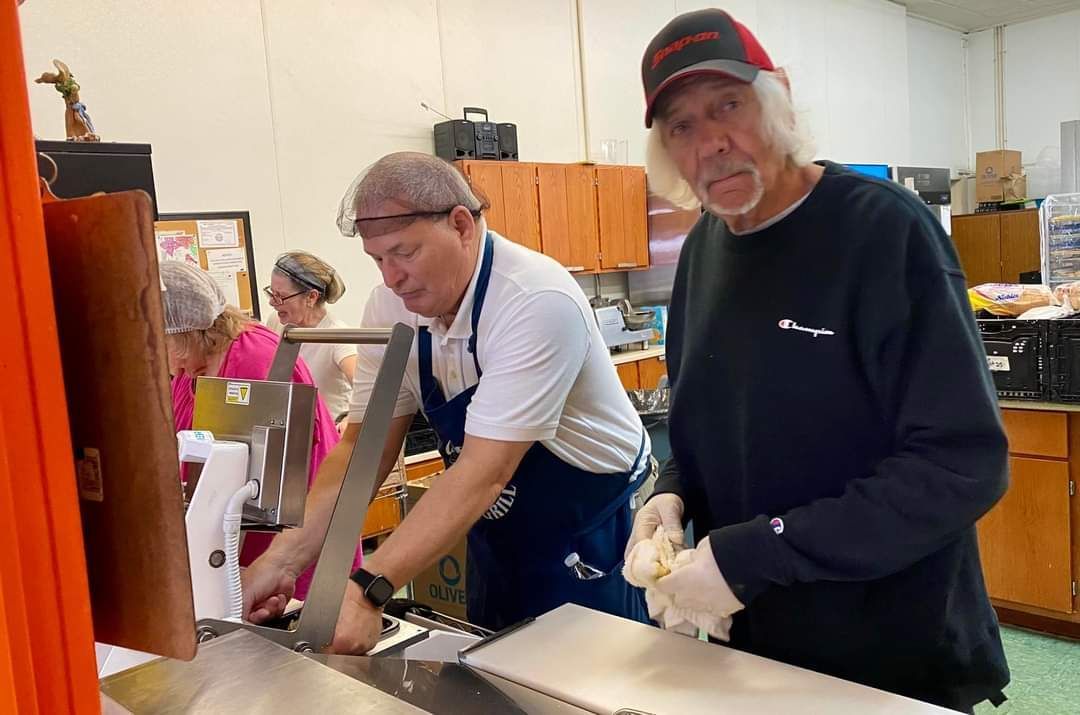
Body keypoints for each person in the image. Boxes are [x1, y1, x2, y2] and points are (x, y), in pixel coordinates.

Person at [623, 9, 1010, 713]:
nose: (710, 142)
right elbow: (705, 430)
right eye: (681, 125)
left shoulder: (884, 231)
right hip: (755, 648)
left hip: (893, 656)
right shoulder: (702, 253)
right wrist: (669, 495)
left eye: (728, 105)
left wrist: (753, 555)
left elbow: (961, 465)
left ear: (780, 100)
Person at [242, 151, 651, 653]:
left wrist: (369, 588)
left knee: (599, 678)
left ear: (461, 225)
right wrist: (282, 559)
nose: (391, 277)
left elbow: (484, 470)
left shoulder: (534, 301)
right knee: (500, 669)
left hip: (593, 535)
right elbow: (362, 450)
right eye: (377, 259)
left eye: (404, 252)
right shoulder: (393, 308)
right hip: (498, 534)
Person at [160, 261, 362, 599]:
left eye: (162, 342)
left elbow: (278, 470)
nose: (165, 361)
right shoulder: (190, 368)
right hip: (232, 544)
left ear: (186, 332)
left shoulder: (255, 358)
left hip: (287, 541)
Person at [264, 250, 358, 428]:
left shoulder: (337, 336)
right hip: (289, 429)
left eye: (280, 296)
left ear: (311, 297)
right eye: (271, 293)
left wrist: (350, 420)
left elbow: (368, 389)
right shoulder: (276, 322)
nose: (272, 302)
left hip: (327, 433)